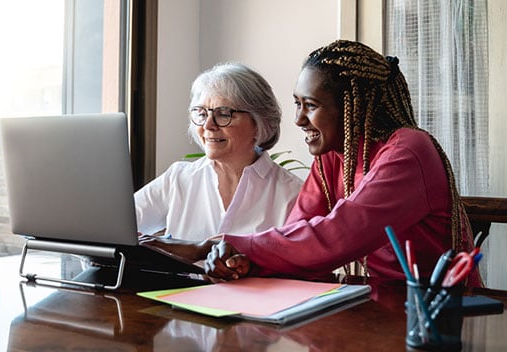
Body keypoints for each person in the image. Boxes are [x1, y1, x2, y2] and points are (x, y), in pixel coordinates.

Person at [202, 40, 481, 287]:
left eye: (310, 105)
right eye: (297, 104)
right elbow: (299, 233)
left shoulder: (409, 150)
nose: (299, 119)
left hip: (439, 310)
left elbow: (337, 237)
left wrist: (215, 245)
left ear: (351, 108)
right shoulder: (333, 155)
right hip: (379, 303)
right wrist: (243, 260)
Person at [134, 63, 303, 243]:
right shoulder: (178, 179)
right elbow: (116, 228)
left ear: (259, 122)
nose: (208, 125)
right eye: (201, 113)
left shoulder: (292, 193)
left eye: (223, 114)